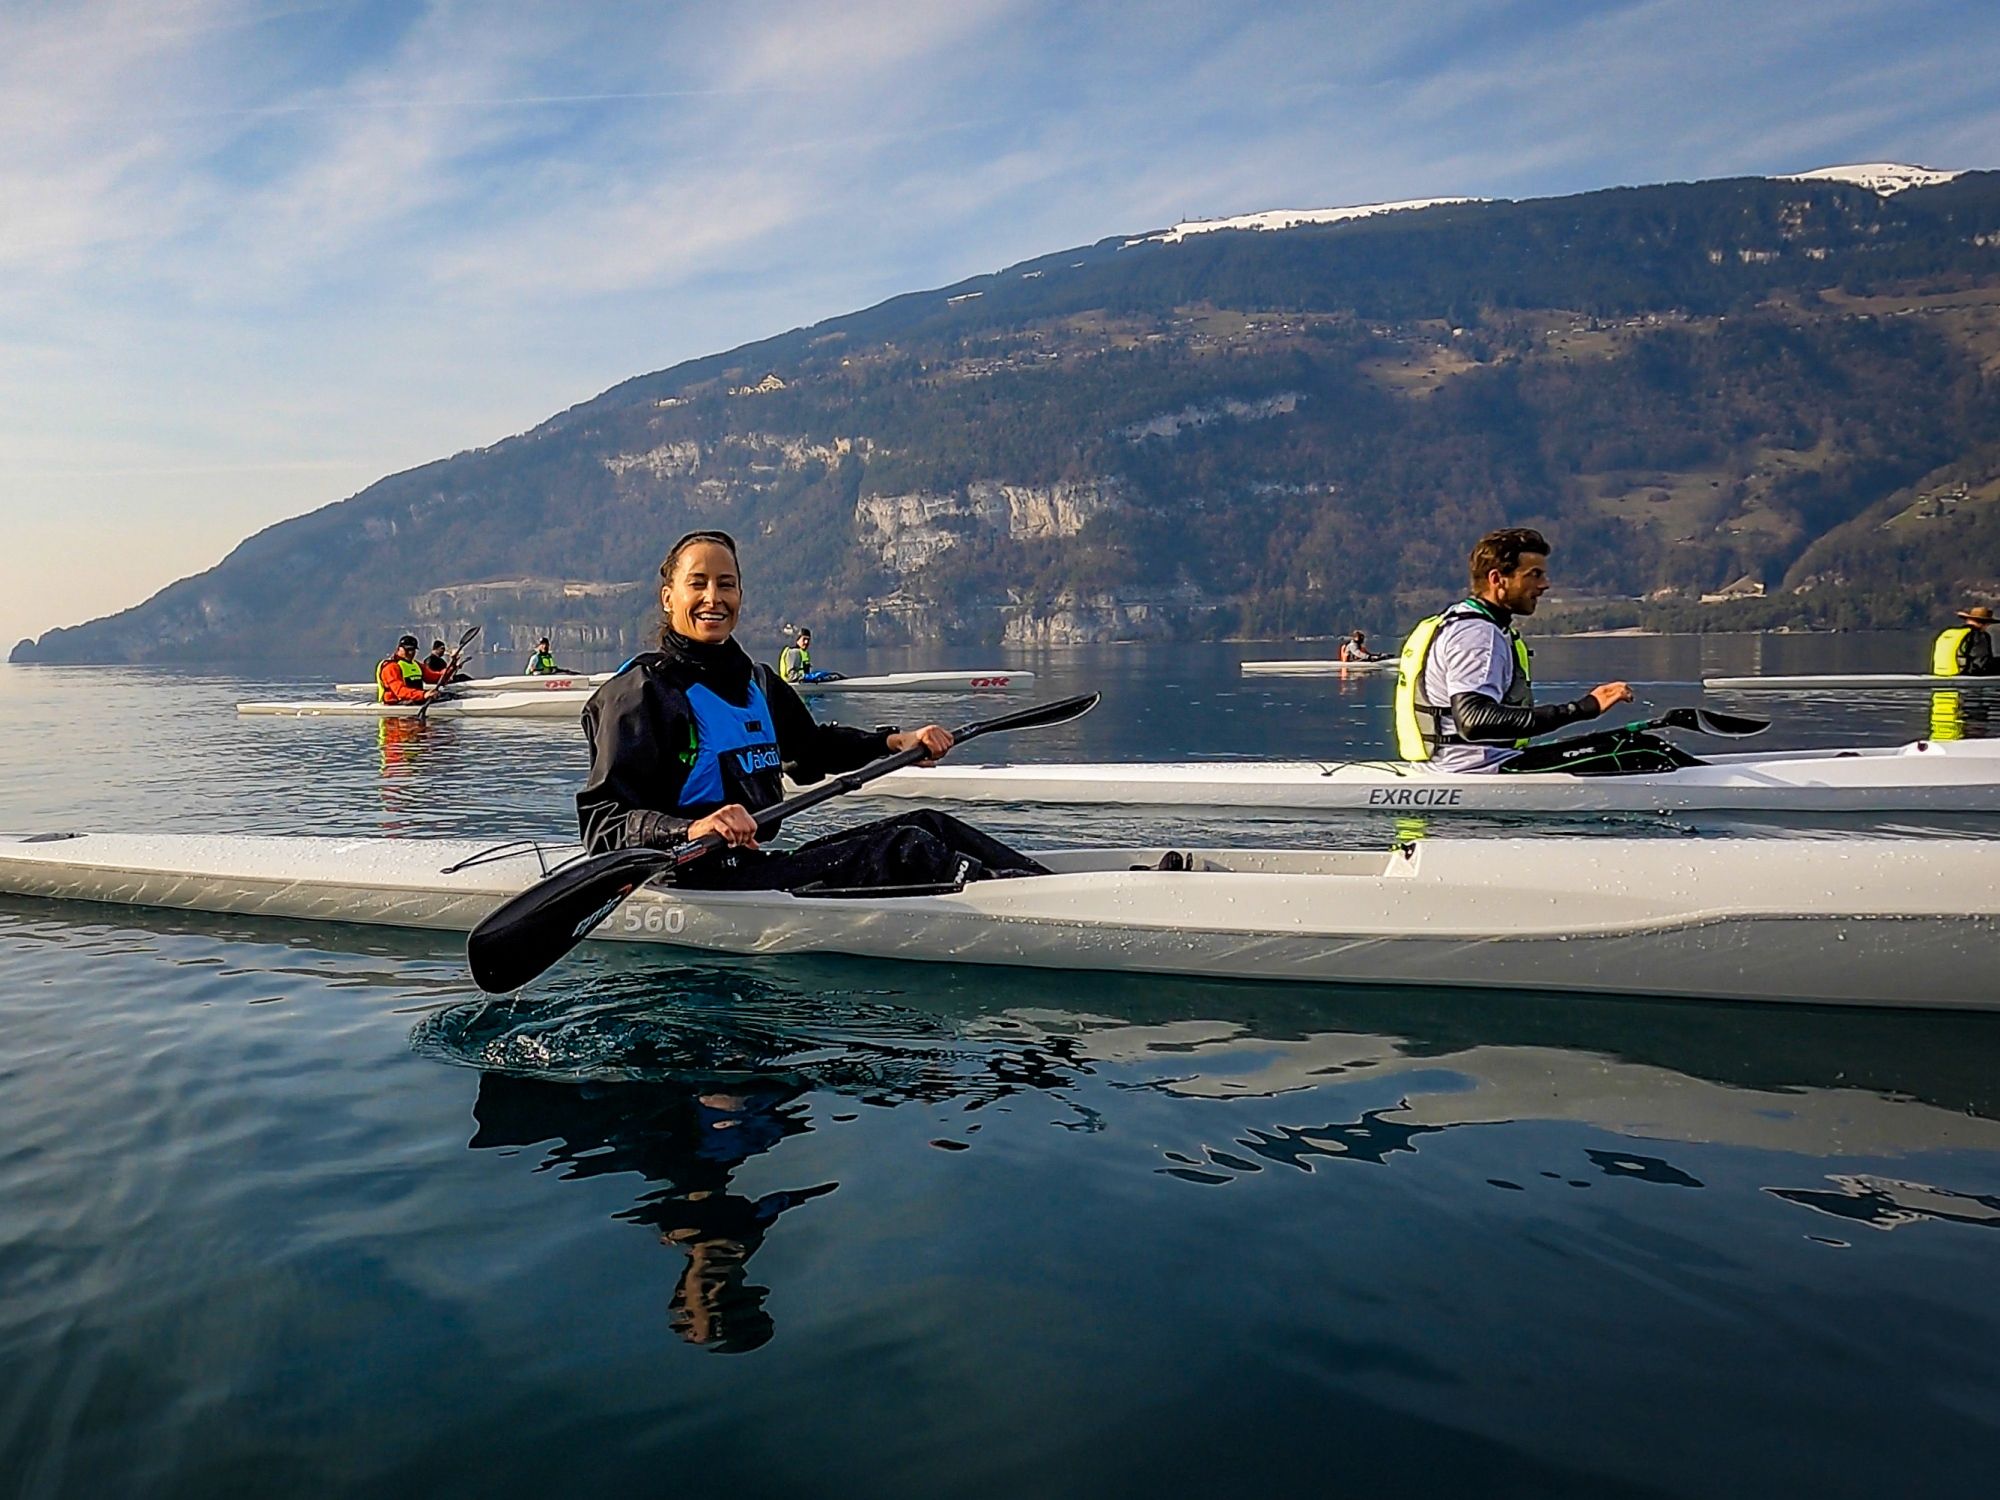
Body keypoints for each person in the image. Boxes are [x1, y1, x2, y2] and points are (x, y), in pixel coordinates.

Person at [577, 529, 1046, 890]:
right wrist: (693, 827)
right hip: (686, 877)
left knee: (927, 824)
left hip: (751, 865)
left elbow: (811, 749)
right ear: (669, 597)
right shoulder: (642, 692)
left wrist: (892, 742)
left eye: (727, 584)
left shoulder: (756, 680)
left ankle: (1043, 887)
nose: (713, 598)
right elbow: (603, 824)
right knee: (903, 849)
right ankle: (1023, 903)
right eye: (697, 584)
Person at [1394, 527, 1642, 774]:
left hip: (1457, 764)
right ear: (1497, 579)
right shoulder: (1479, 635)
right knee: (1641, 753)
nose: (1545, 585)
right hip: (1476, 769)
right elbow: (1474, 721)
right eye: (1534, 575)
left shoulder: (1461, 620)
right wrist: (1582, 708)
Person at [1932, 605, 1997, 678]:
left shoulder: (1949, 633)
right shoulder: (1978, 635)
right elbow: (1981, 663)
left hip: (1941, 674)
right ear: (1985, 624)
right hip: (1966, 674)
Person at [376, 634, 437, 704]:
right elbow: (400, 691)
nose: (411, 653)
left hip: (415, 700)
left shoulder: (417, 665)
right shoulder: (391, 667)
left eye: (413, 649)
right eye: (407, 650)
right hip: (395, 704)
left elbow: (435, 677)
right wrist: (423, 695)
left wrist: (451, 668)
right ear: (399, 649)